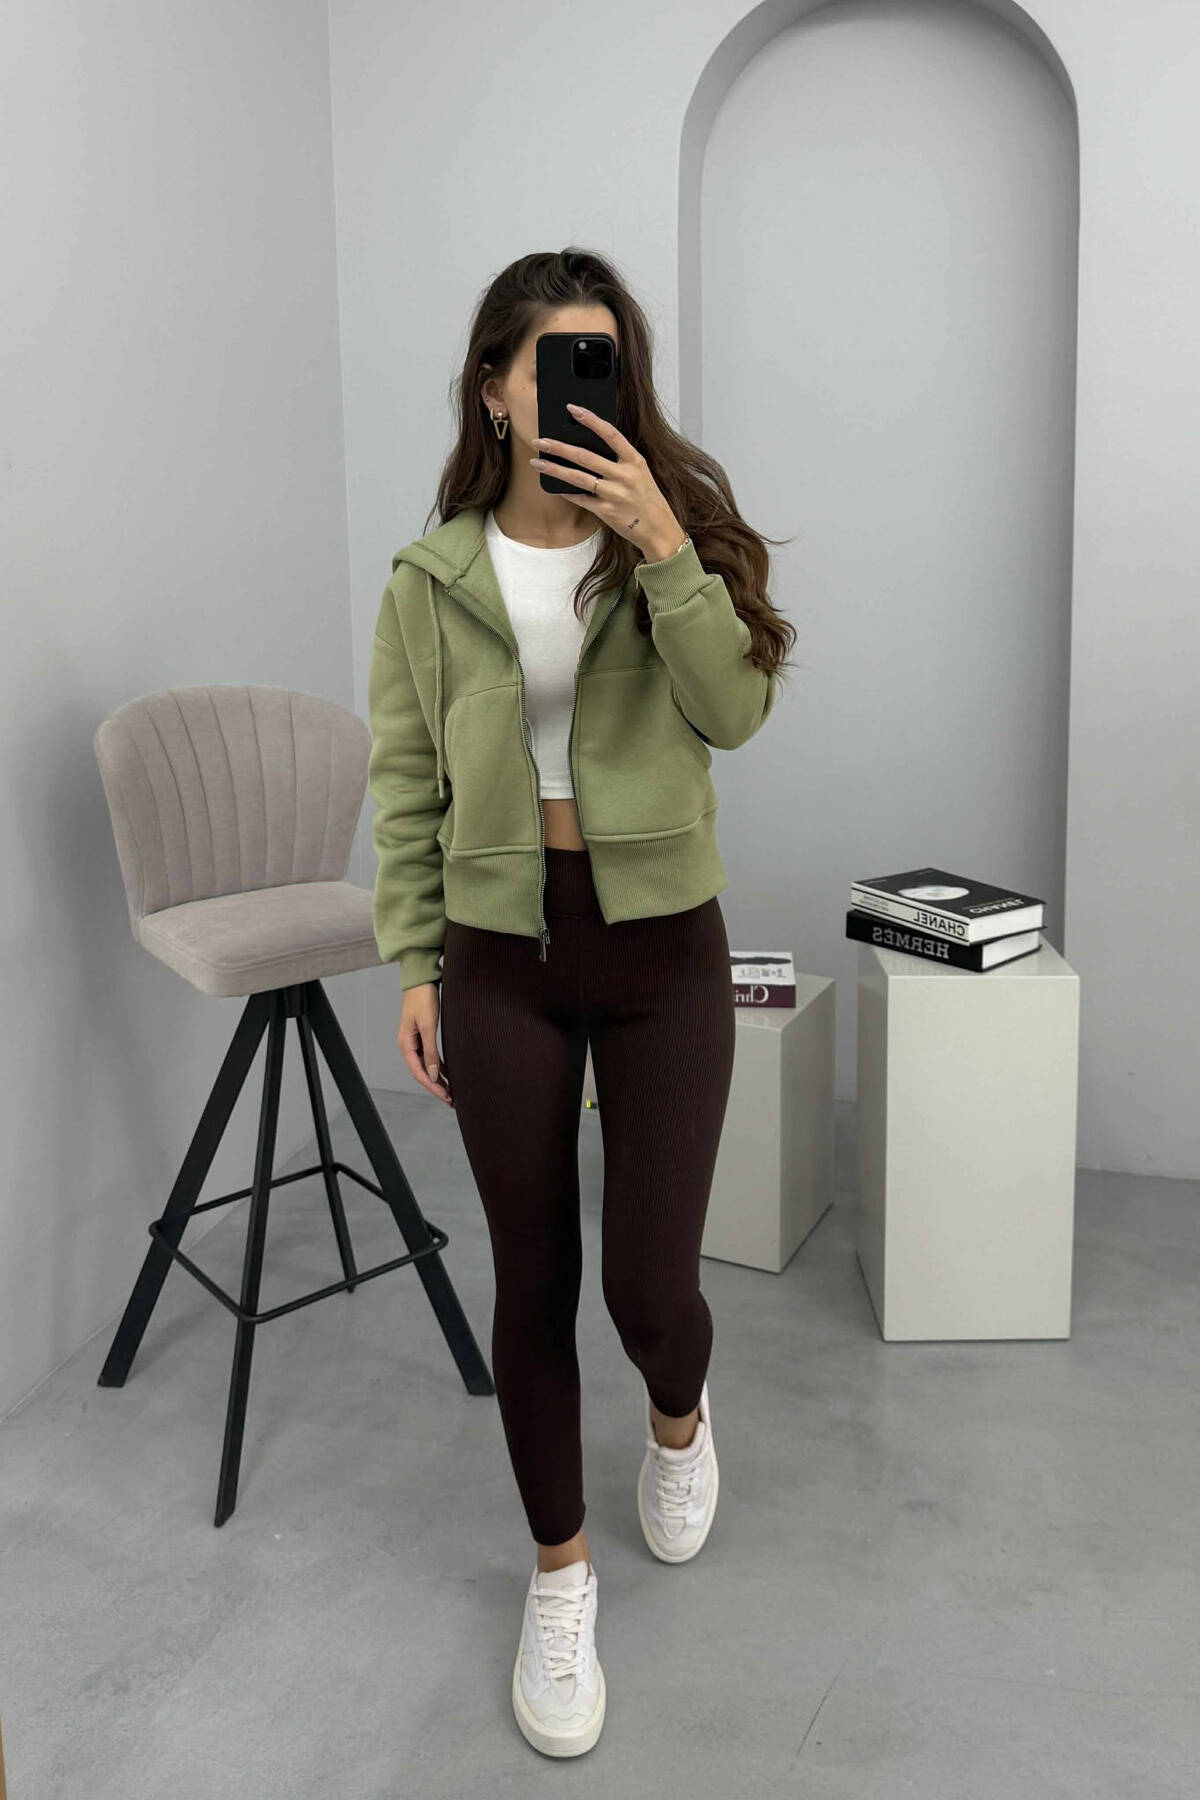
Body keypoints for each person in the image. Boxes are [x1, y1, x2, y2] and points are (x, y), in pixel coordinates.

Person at [367, 247, 795, 1758]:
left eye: (597, 361)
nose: (570, 391)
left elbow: (735, 712)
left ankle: (680, 1422)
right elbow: (404, 782)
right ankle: (560, 1579)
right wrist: (413, 962)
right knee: (533, 1278)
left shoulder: (671, 533)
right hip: (501, 954)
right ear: (493, 386)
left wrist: (665, 544)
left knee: (649, 1288)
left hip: (663, 946)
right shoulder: (430, 579)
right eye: (546, 363)